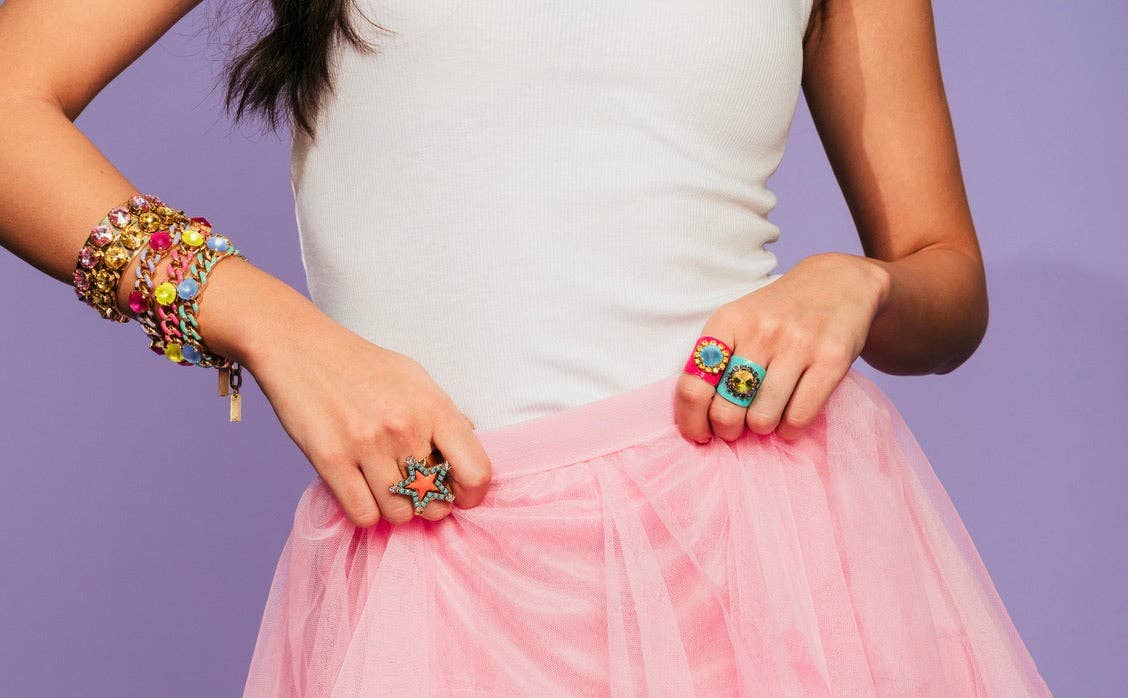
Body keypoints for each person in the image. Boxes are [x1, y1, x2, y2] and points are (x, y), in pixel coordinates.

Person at [0, 0, 1053, 695]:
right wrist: (264, 319)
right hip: (443, 564)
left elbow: (943, 273)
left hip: (770, 558)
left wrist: (857, 284)